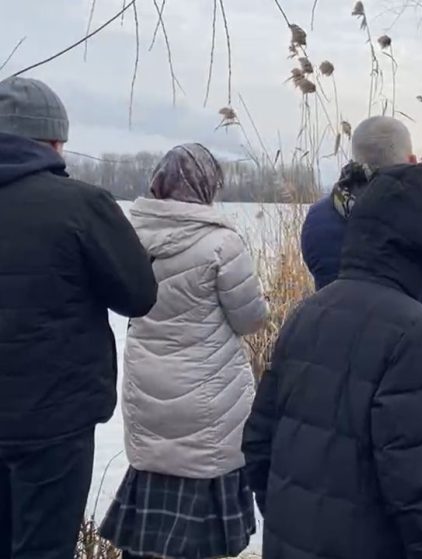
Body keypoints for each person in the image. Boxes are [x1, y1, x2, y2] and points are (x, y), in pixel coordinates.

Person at [242, 161, 422, 558]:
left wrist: (284, 522)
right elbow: (417, 486)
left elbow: (258, 442)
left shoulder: (306, 313)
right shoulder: (412, 331)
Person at [0, 77, 157, 559]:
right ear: (52, 142)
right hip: (54, 419)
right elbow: (137, 295)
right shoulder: (82, 205)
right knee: (43, 547)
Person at [300, 117, 422, 486]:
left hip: (349, 371)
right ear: (410, 160)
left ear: (356, 158)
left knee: (361, 479)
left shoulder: (320, 219)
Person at [98, 144, 268, 559]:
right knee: (200, 482)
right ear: (208, 184)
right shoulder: (221, 244)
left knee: (155, 468)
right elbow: (251, 319)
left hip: (146, 385)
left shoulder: (127, 233)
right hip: (207, 392)